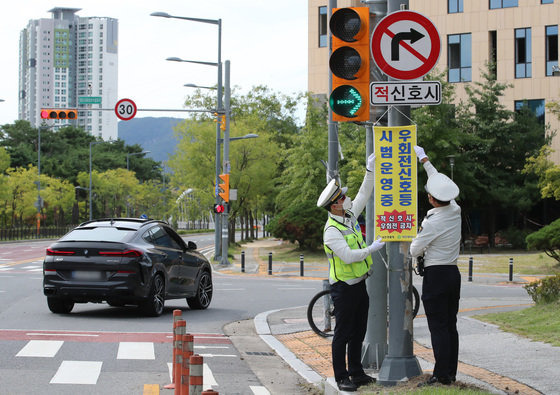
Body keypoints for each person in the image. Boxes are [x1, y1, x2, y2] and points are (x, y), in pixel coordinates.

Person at [316, 153, 385, 392]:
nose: (347, 198)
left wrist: (370, 169)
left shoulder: (348, 216)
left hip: (359, 284)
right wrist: (372, 248)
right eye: (343, 197)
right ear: (334, 204)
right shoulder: (331, 231)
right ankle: (341, 377)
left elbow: (365, 193)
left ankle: (356, 372)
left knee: (359, 330)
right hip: (343, 287)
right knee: (343, 334)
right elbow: (348, 256)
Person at [410, 145, 462, 386]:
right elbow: (439, 183)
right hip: (453, 273)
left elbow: (414, 250)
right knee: (450, 326)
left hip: (437, 275)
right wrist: (424, 159)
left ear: (431, 199)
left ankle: (440, 376)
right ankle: (450, 372)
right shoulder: (455, 210)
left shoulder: (432, 222)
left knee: (438, 328)